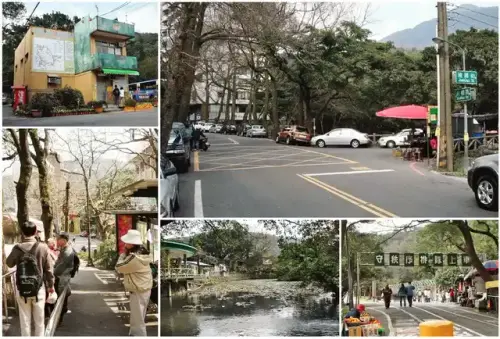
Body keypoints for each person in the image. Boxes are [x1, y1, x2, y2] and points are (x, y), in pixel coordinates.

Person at [6, 221, 55, 336]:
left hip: (21, 288)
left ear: (22, 232)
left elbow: (9, 263)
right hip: (39, 289)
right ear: (35, 232)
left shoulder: (17, 248)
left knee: (25, 321)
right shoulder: (43, 247)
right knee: (39, 322)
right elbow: (49, 270)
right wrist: (51, 287)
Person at [115, 230, 153, 336]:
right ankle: (134, 334)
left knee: (138, 319)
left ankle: (139, 335)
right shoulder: (143, 254)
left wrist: (122, 256)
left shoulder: (133, 258)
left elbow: (119, 268)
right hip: (144, 288)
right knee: (139, 316)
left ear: (132, 244)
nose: (125, 244)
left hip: (137, 290)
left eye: (127, 242)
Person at [54, 232, 75, 324]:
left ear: (64, 240)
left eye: (58, 239)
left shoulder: (67, 251)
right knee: (63, 296)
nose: (57, 241)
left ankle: (59, 318)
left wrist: (53, 271)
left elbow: (62, 266)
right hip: (62, 276)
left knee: (61, 297)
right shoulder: (64, 249)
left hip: (63, 277)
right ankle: (61, 314)